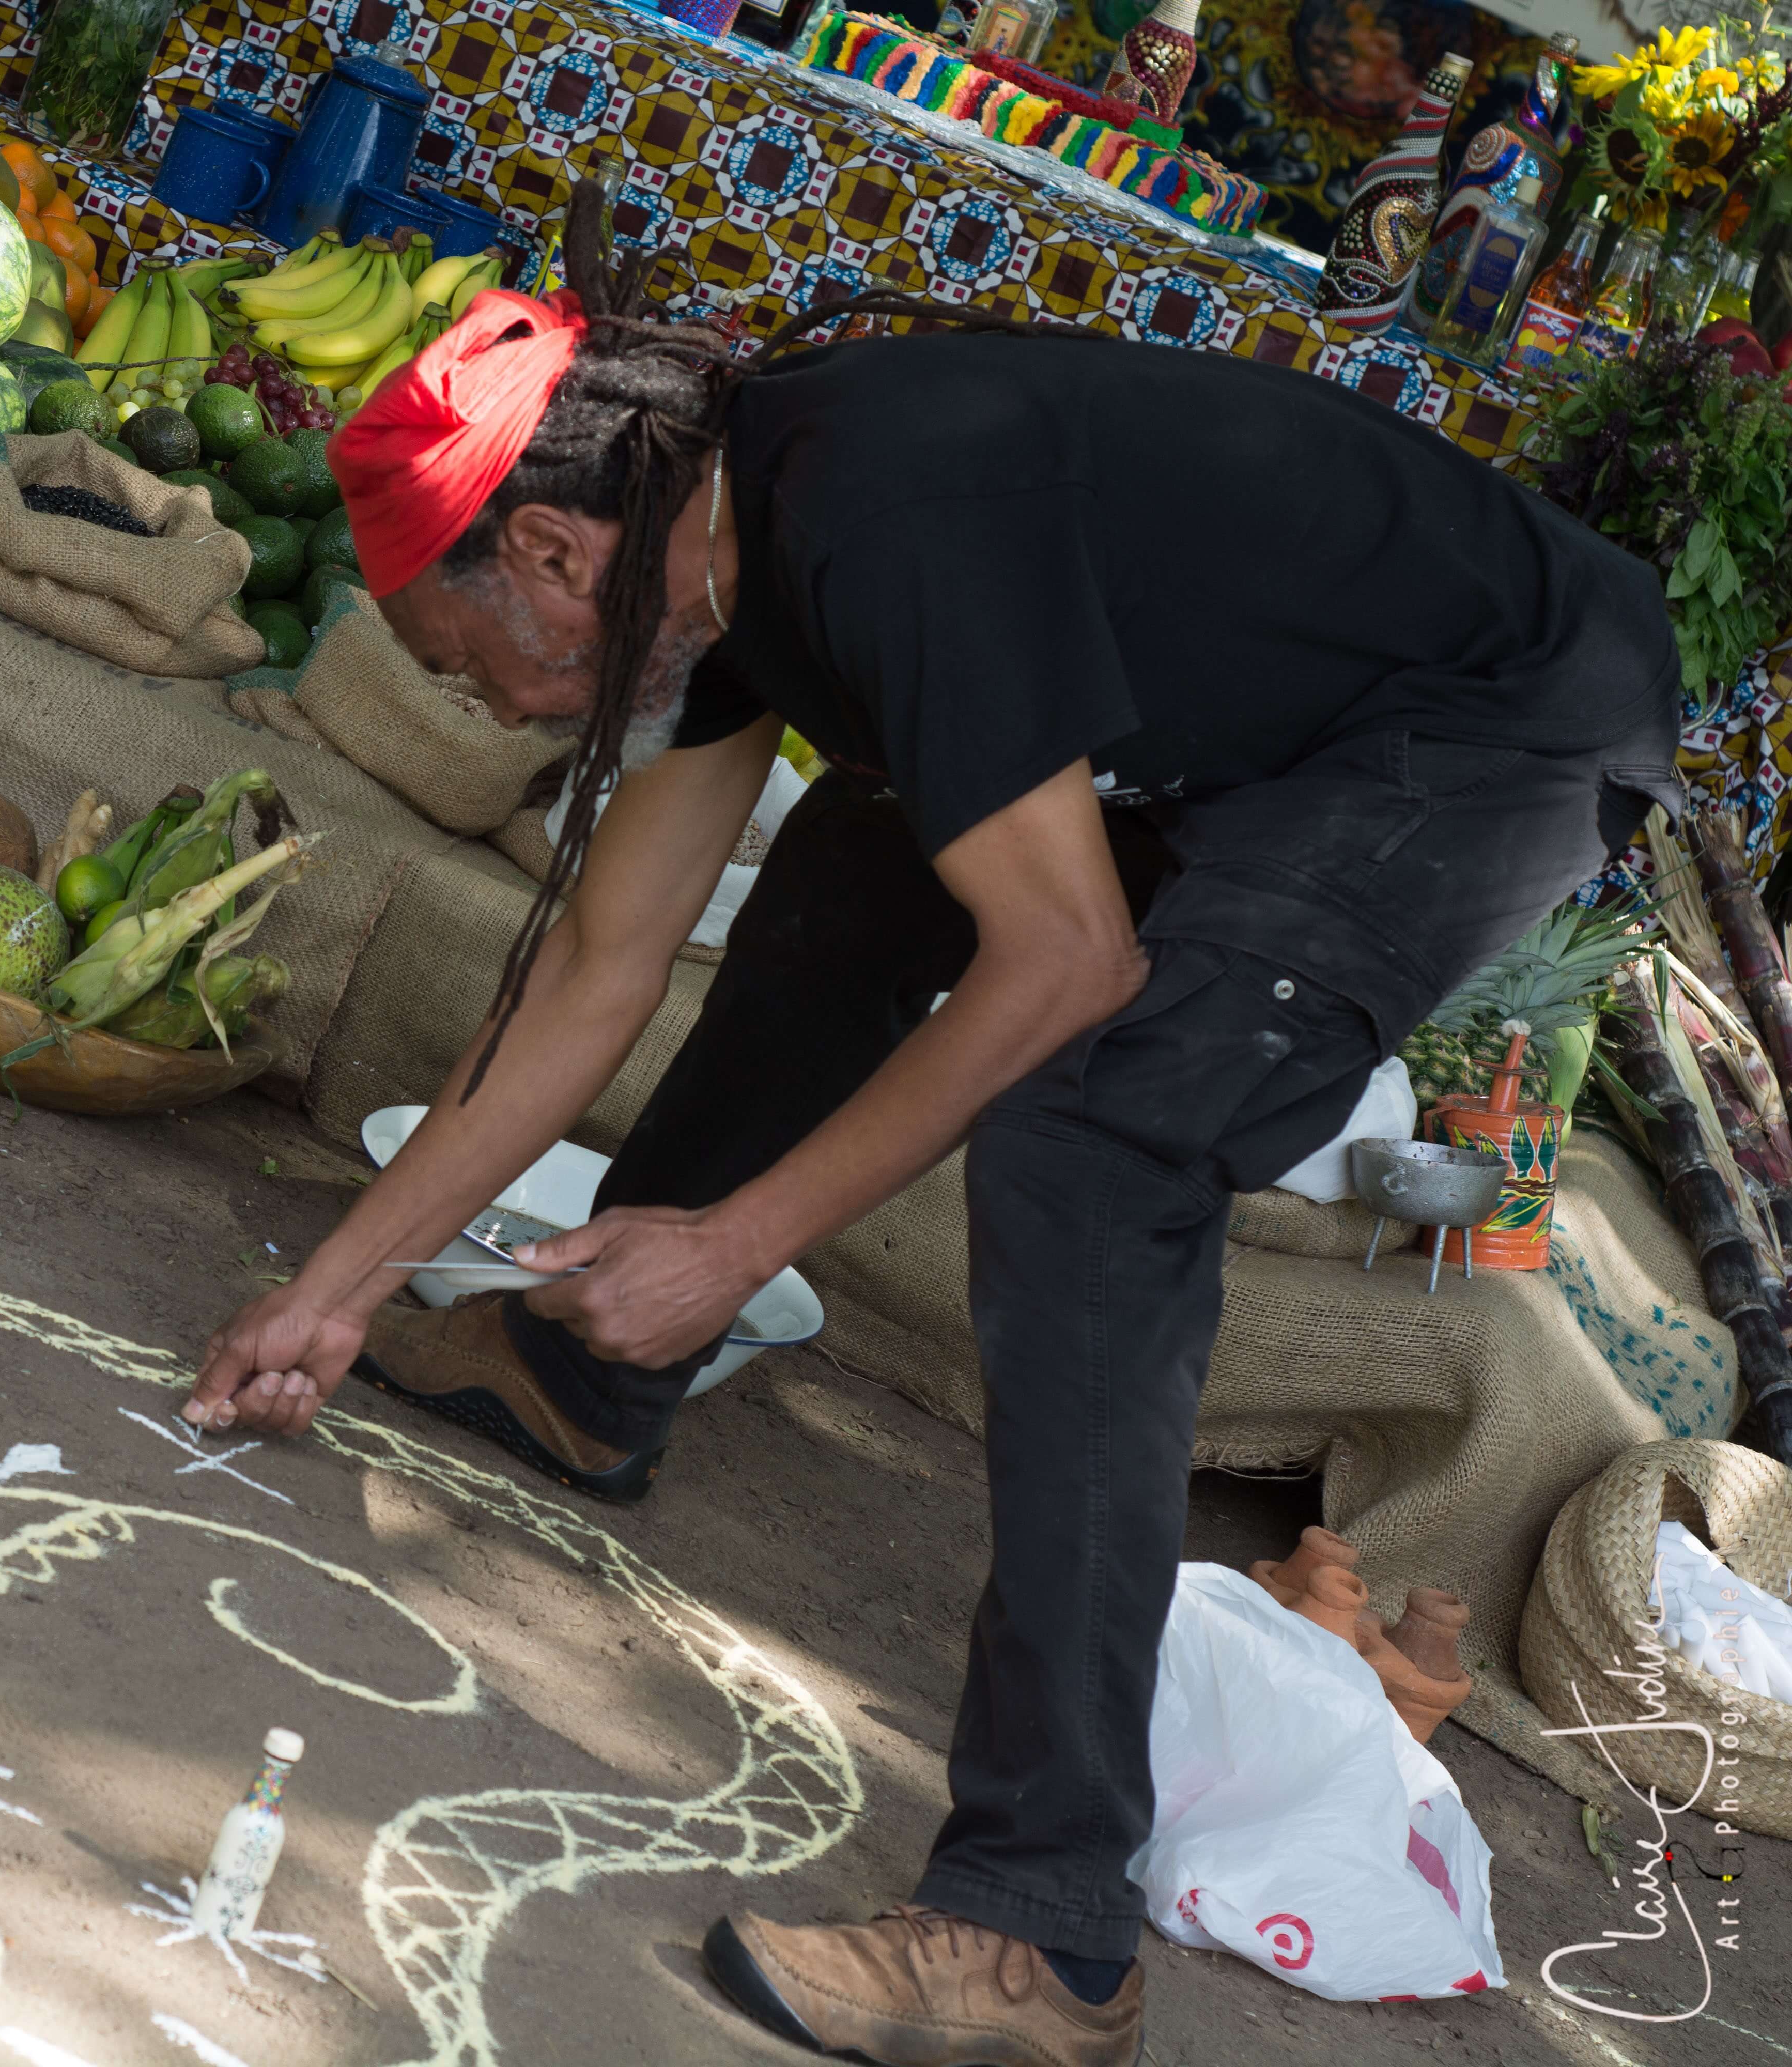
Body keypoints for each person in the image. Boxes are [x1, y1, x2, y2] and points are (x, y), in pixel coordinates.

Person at [179, 183, 1678, 2067]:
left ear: (558, 554)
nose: (476, 698)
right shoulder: (710, 562)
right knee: (857, 863)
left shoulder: (882, 519)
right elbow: (596, 971)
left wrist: (731, 1247)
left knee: (1102, 1139)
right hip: (1275, 705)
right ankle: (585, 1380)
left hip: (1487, 724)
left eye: (461, 655)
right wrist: (338, 1284)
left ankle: (1046, 1931)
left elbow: (1064, 960)